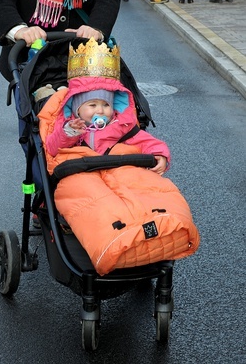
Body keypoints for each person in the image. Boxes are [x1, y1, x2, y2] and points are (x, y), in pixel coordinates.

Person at [38, 38, 200, 275]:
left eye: (105, 104)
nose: (100, 110)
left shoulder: (122, 126)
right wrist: (69, 132)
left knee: (149, 189)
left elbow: (147, 141)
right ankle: (114, 239)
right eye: (91, 105)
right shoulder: (69, 128)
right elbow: (52, 148)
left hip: (122, 168)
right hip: (80, 171)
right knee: (94, 202)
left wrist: (160, 155)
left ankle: (161, 226)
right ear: (76, 109)